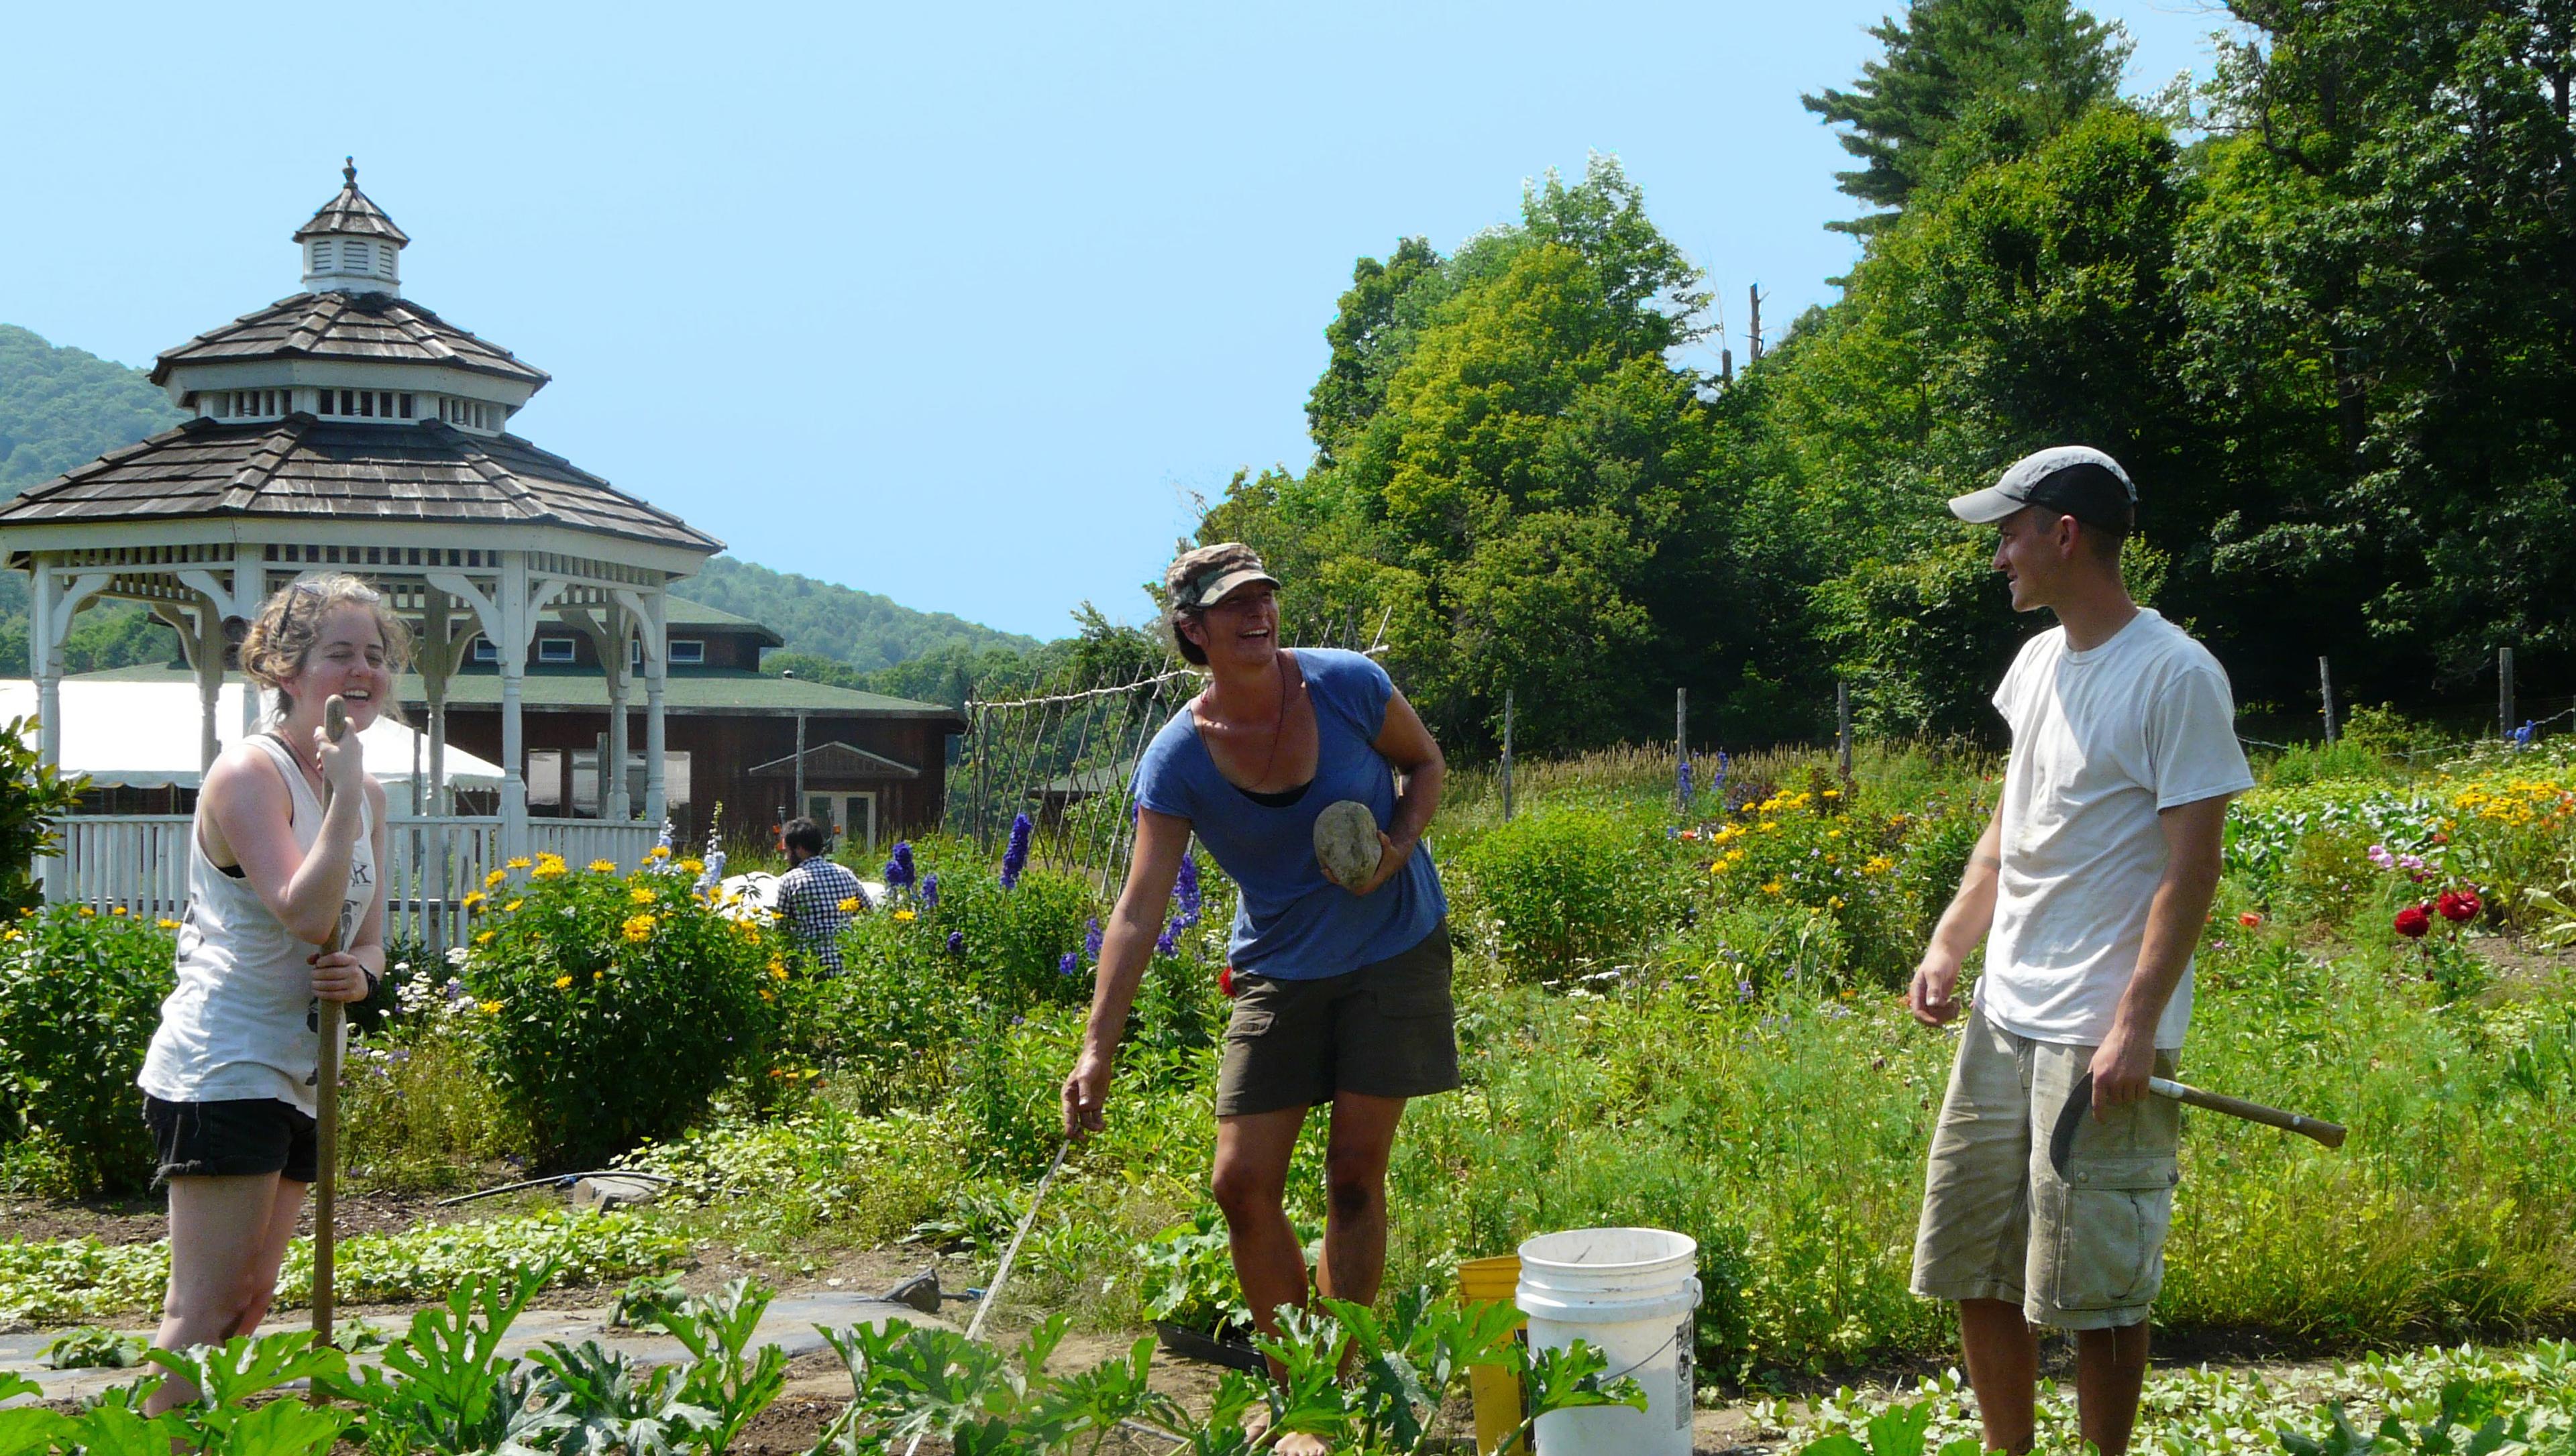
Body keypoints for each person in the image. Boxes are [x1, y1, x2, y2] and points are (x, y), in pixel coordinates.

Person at [1062, 543, 1452, 1453]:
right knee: (1240, 1181)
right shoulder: (1177, 760)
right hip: (1279, 968)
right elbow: (1138, 907)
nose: (1258, 613)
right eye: (1233, 603)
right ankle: (1303, 1392)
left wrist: (1395, 847)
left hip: (1393, 948)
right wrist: (1096, 1049)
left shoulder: (1349, 685)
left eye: (1265, 596)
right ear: (1192, 629)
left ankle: (1327, 1399)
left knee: (1354, 1175)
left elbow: (1425, 763)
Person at [1907, 448, 2254, 1456]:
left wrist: (2135, 1025)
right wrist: (1949, 941)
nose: (1998, 553)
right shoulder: (2039, 663)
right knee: (1975, 1262)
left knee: (2097, 1289)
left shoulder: (2175, 674)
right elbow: (2014, 822)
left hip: (2096, 1033)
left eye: (2009, 531)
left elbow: (2192, 867)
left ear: (2066, 534)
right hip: (2003, 1014)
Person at [136, 573, 401, 1410]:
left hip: (301, 1069)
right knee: (203, 1308)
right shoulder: (250, 774)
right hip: (225, 1063)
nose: (363, 669)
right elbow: (301, 910)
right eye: (339, 653)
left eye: (376, 653)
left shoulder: (374, 798)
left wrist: (360, 971)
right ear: (285, 668)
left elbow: (367, 937)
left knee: (248, 1304)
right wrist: (344, 792)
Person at [773, 815, 865, 972]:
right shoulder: (846, 874)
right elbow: (868, 911)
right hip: (850, 965)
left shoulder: (789, 881)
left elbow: (781, 928)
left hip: (812, 967)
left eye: (787, 850)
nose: (786, 857)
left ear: (799, 849)